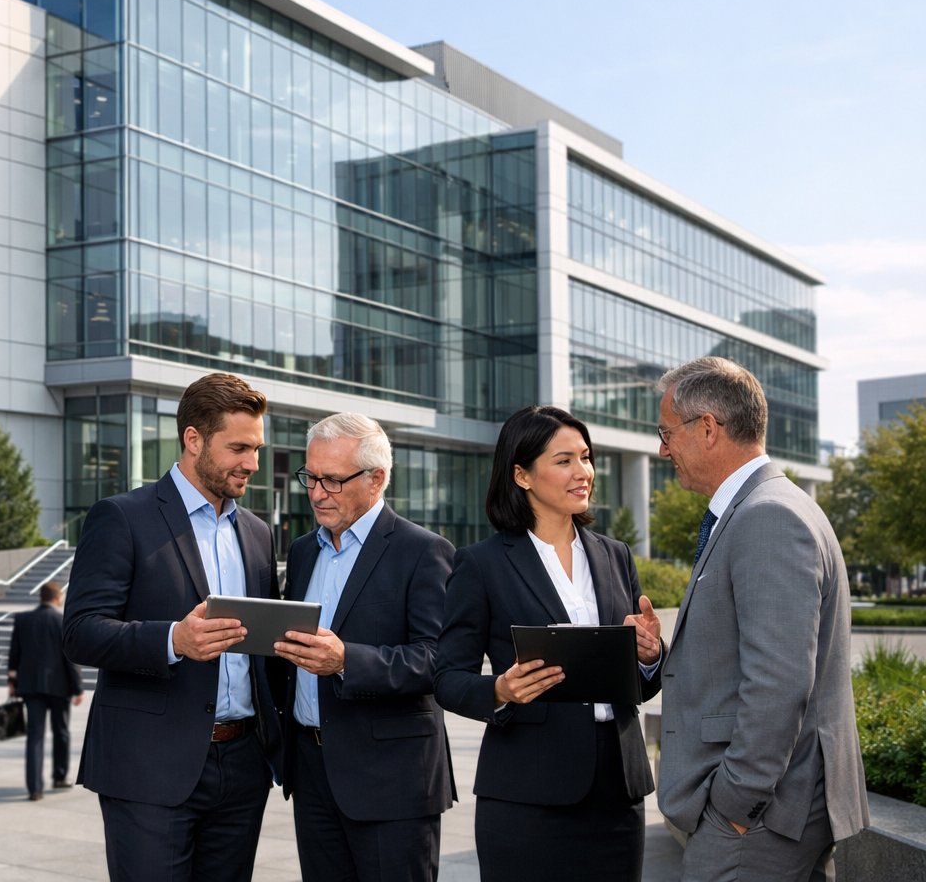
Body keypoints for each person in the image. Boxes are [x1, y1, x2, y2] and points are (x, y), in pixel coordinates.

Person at [63, 371, 284, 882]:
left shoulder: (255, 532)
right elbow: (79, 631)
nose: (253, 463)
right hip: (148, 769)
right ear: (193, 439)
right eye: (239, 448)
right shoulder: (121, 517)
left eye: (257, 448)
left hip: (243, 769)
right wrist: (172, 640)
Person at [653, 357, 867, 881]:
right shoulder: (765, 507)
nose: (662, 449)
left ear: (707, 428)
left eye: (665, 432)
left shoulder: (767, 516)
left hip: (762, 816)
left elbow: (779, 682)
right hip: (772, 811)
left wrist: (735, 806)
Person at [435, 405, 663, 882]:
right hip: (527, 795)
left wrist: (648, 656)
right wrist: (499, 690)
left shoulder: (615, 555)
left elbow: (639, 686)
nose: (583, 472)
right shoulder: (481, 565)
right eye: (564, 461)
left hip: (618, 790)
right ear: (521, 474)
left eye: (585, 457)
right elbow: (447, 678)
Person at [276, 412, 456, 882]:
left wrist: (346, 661)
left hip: (392, 781)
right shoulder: (302, 551)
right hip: (312, 770)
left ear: (376, 479)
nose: (316, 493)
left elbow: (440, 661)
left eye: (332, 481)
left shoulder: (423, 551)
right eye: (310, 477)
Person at [7, 581, 85, 800]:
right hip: (60, 687)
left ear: (40, 597)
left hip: (30, 686)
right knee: (61, 732)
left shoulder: (23, 620)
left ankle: (35, 788)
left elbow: (14, 655)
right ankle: (60, 777)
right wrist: (78, 687)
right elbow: (71, 658)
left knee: (35, 736)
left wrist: (12, 681)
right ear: (57, 598)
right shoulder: (62, 621)